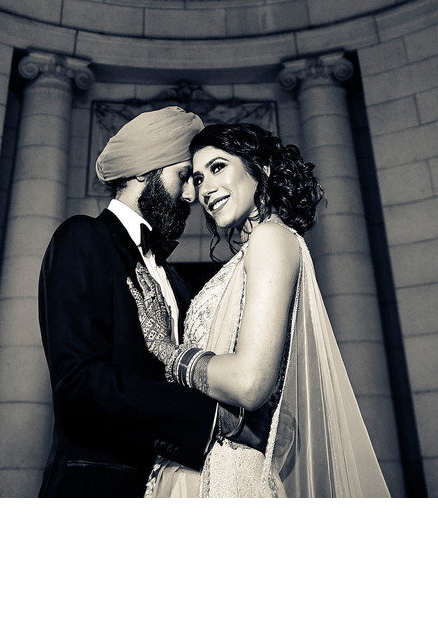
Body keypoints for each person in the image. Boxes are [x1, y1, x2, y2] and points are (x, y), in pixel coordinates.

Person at [127, 121, 391, 498]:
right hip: (198, 465)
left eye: (218, 167)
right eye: (198, 178)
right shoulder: (251, 253)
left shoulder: (271, 237)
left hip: (226, 478)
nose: (204, 189)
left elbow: (251, 383)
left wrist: (168, 352)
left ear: (261, 167)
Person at [37, 105, 266, 497]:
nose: (194, 195)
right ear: (144, 170)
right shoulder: (83, 238)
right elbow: (79, 387)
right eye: (184, 176)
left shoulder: (173, 279)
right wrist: (212, 420)